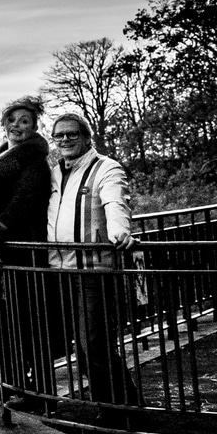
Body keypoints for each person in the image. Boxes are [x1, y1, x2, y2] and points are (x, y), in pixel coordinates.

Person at [47, 110, 138, 404]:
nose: (65, 140)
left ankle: (116, 410)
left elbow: (115, 201)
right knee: (82, 347)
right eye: (59, 135)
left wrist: (120, 232)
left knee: (94, 344)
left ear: (86, 137)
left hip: (92, 270)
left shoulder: (106, 168)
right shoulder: (54, 172)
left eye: (72, 134)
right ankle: (124, 404)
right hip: (59, 270)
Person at [0, 95, 52, 267]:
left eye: (24, 122)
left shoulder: (36, 161)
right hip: (3, 245)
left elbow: (20, 206)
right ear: (4, 124)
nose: (15, 125)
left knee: (26, 292)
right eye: (11, 120)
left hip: (25, 247)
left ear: (34, 127)